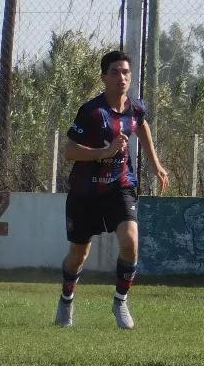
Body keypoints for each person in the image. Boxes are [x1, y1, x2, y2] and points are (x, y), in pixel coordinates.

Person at [56, 50, 169, 330]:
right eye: (116, 72)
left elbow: (141, 126)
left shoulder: (135, 107)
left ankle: (120, 301)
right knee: (78, 255)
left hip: (120, 186)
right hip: (86, 193)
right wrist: (104, 151)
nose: (122, 77)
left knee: (130, 241)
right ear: (104, 76)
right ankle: (66, 298)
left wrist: (155, 163)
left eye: (126, 72)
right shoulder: (92, 111)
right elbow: (70, 151)